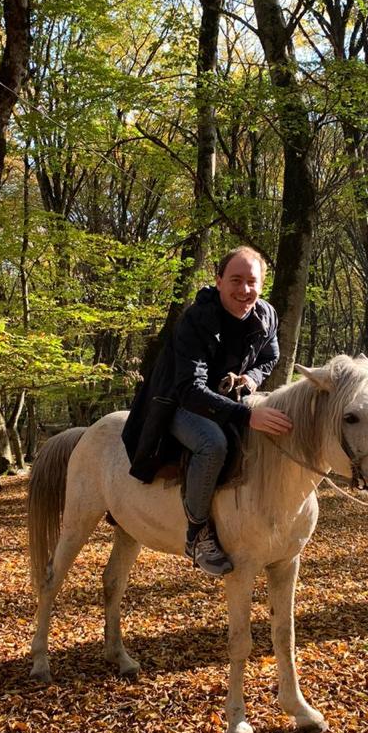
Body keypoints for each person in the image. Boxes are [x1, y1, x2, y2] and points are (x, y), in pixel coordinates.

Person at [122, 246, 292, 577]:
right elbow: (189, 389)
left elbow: (270, 356)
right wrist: (246, 415)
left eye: (251, 282)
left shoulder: (266, 314)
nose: (244, 290)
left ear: (262, 284)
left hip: (227, 399)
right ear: (218, 281)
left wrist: (252, 379)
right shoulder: (196, 321)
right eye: (236, 280)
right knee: (212, 444)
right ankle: (197, 533)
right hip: (179, 400)